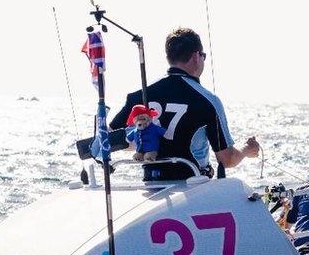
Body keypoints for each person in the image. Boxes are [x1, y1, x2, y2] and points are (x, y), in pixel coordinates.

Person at [110, 28, 259, 180]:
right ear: (196, 56)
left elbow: (107, 140)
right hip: (192, 185)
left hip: (151, 187)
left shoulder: (138, 96)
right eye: (203, 56)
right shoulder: (207, 101)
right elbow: (227, 159)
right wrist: (247, 150)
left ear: (169, 57)